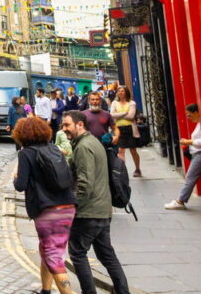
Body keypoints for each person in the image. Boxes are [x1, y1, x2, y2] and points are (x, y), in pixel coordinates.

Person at [62, 111, 131, 294]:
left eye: (67, 125)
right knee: (107, 256)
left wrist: (73, 206)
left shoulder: (84, 147)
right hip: (102, 209)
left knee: (77, 254)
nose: (64, 129)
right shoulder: (94, 142)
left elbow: (85, 182)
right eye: (63, 125)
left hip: (88, 212)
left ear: (80, 125)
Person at [13, 116, 77, 294]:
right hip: (67, 206)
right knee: (47, 249)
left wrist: (15, 176)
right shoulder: (54, 149)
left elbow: (20, 186)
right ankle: (45, 290)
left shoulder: (26, 153)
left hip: (46, 210)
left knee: (52, 254)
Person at [165, 104, 201, 211]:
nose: (188, 118)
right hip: (197, 154)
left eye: (189, 115)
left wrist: (189, 141)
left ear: (196, 112)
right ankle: (180, 200)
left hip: (200, 154)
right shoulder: (199, 124)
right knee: (191, 177)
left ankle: (180, 201)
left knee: (190, 177)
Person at [110, 86, 141, 177]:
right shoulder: (115, 103)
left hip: (130, 129)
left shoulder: (132, 103)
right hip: (119, 129)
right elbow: (111, 115)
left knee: (133, 150)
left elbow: (131, 116)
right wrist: (124, 113)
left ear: (126, 92)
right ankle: (123, 171)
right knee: (120, 150)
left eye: (122, 91)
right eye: (119, 91)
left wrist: (117, 115)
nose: (120, 92)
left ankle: (138, 169)